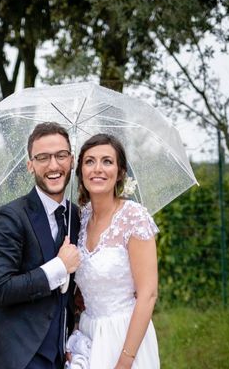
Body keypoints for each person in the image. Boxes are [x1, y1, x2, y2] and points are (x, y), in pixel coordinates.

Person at [0, 122, 81, 369]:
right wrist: (59, 267)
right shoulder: (11, 217)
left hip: (62, 357)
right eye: (43, 157)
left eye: (61, 155)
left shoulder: (78, 217)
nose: (53, 165)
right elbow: (0, 289)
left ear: (72, 161)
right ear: (30, 165)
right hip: (19, 359)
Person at [71, 133, 160, 368]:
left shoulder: (133, 217)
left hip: (125, 335)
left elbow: (148, 295)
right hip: (89, 335)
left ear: (120, 172)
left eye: (107, 161)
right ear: (81, 172)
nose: (97, 168)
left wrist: (125, 360)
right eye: (89, 161)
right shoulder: (80, 217)